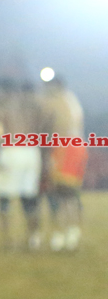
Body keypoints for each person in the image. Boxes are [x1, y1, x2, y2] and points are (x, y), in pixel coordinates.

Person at [0, 79, 44, 251]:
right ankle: (33, 238)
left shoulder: (1, 108)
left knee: (4, 198)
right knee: (29, 198)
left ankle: (7, 241)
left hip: (11, 152)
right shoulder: (34, 107)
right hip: (31, 152)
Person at [40, 75, 86, 251]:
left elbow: (54, 127)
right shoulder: (71, 100)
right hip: (75, 147)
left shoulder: (57, 102)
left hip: (65, 149)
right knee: (68, 193)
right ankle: (70, 231)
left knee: (61, 193)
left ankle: (63, 232)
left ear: (56, 86)